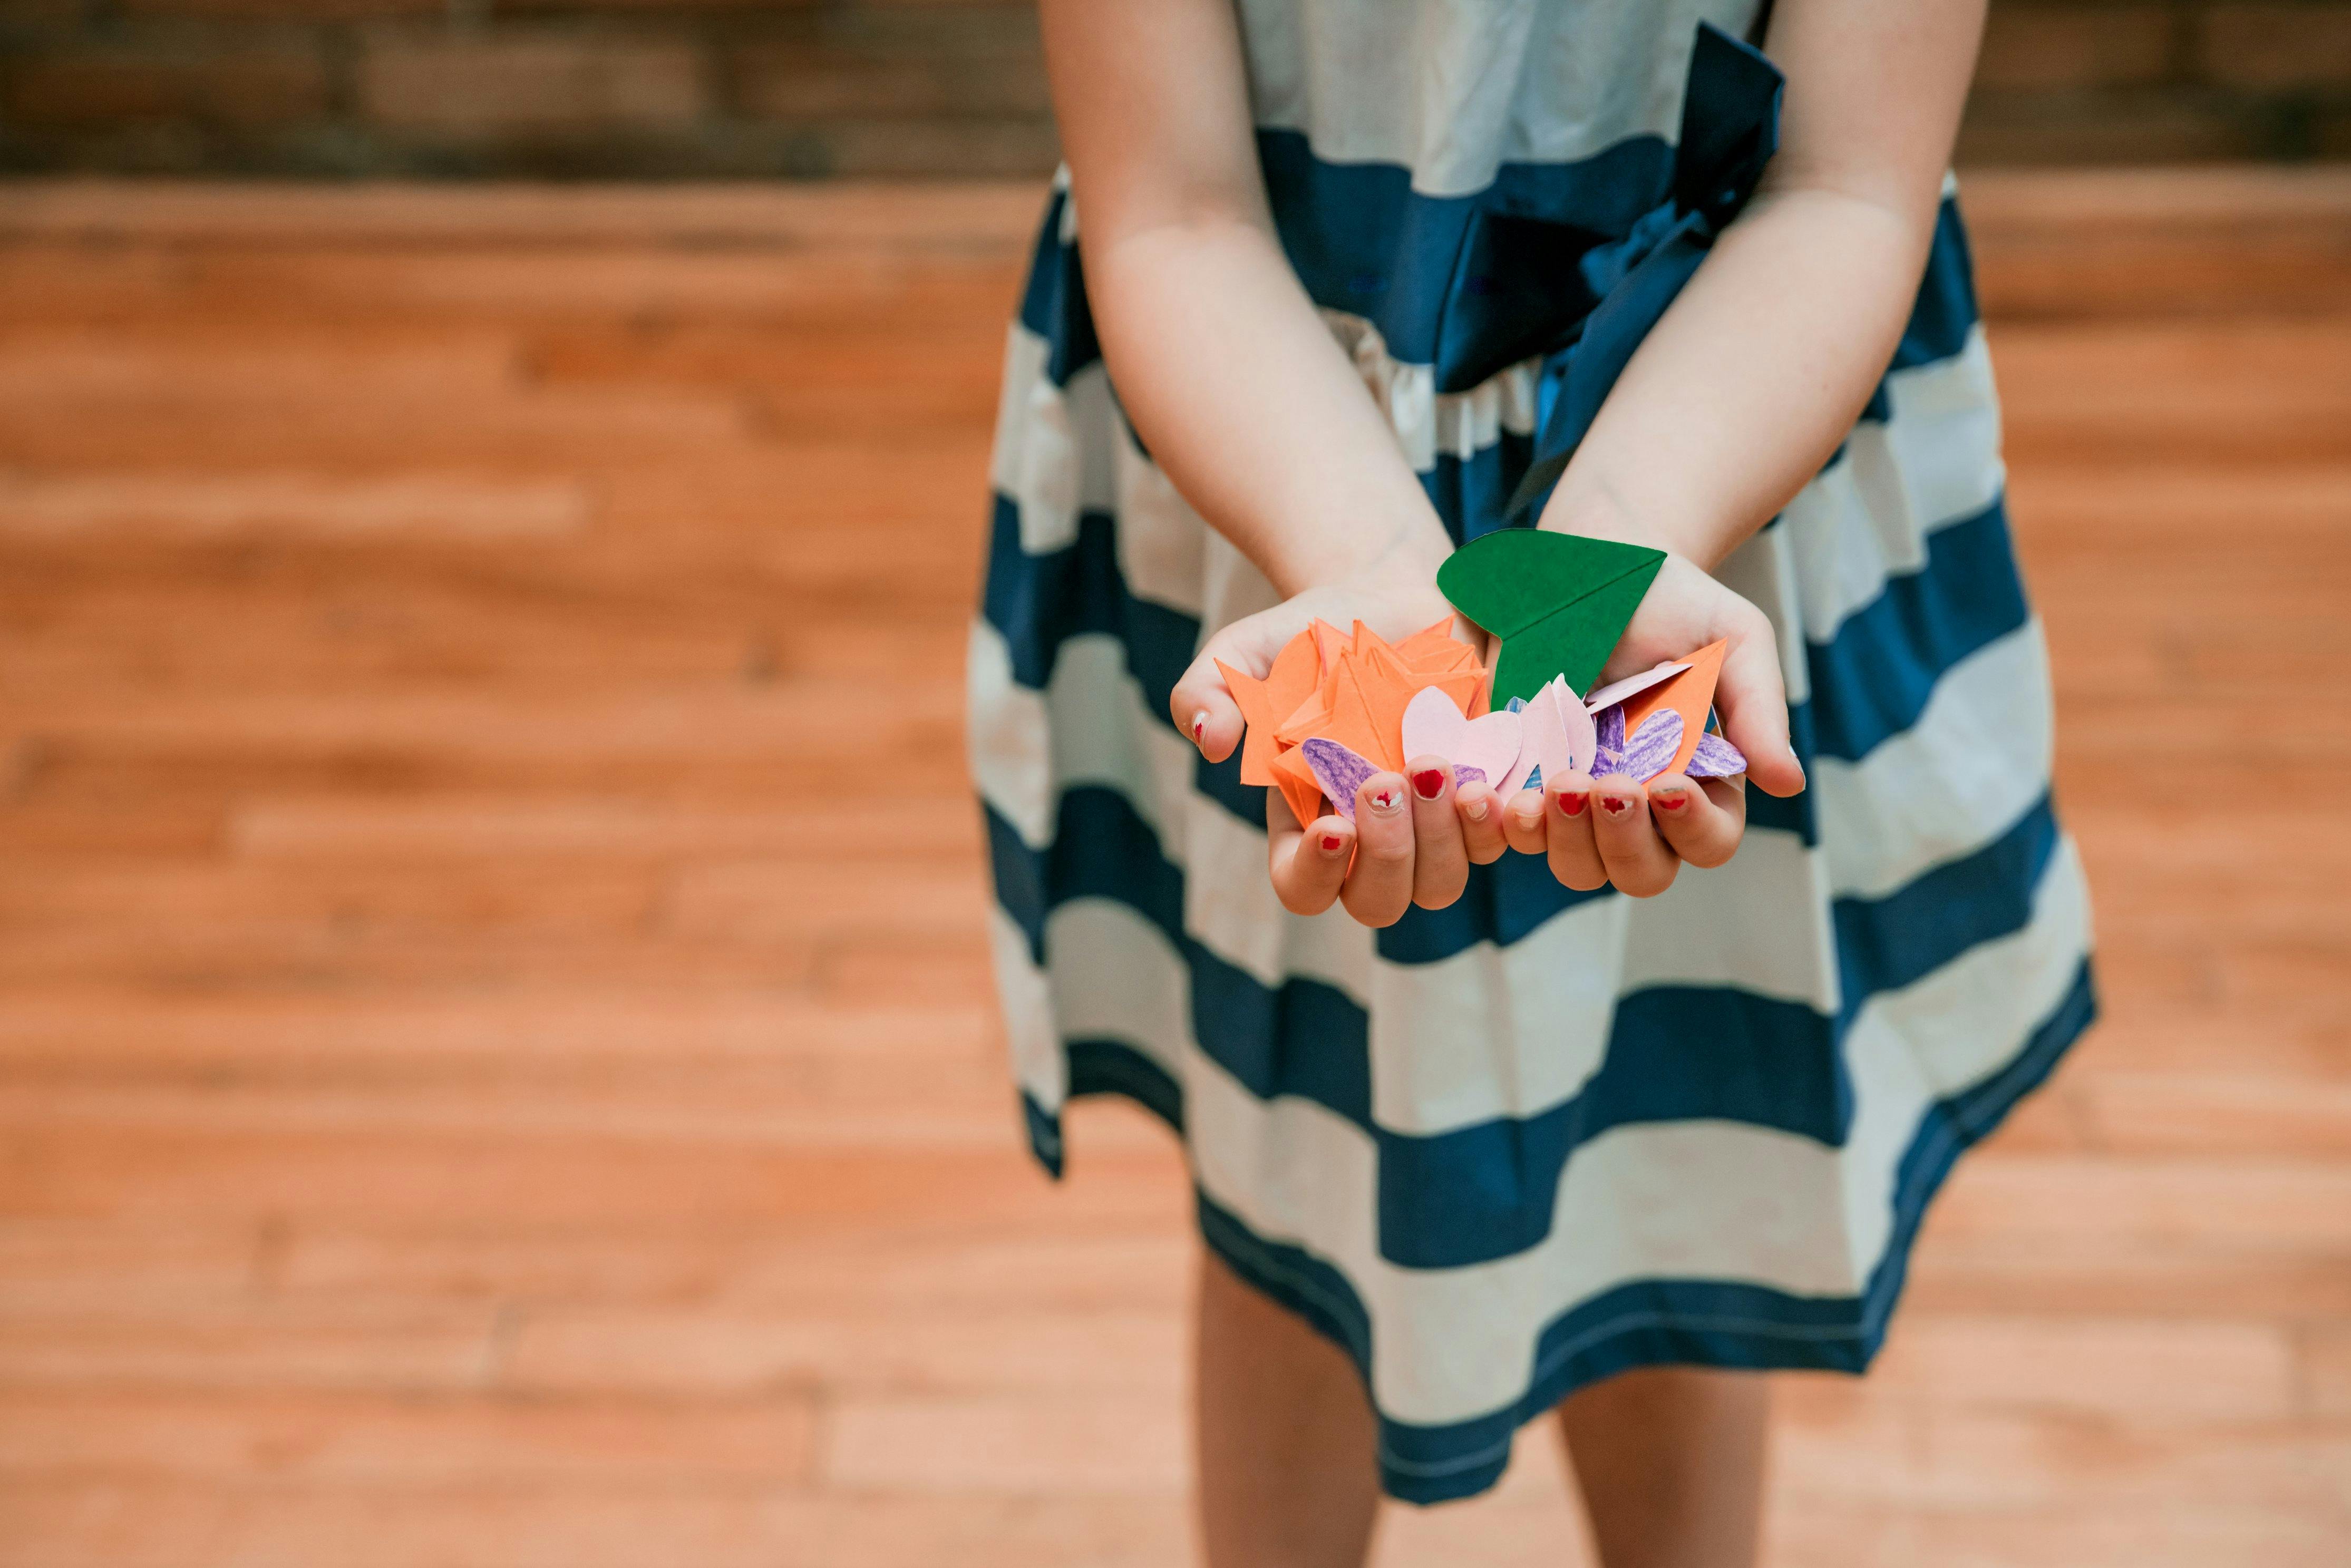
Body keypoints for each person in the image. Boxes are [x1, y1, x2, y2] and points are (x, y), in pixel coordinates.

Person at [969, 2, 2096, 1563]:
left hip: (1727, 443)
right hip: (1269, 441)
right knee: (1286, 1153)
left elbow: (1845, 181)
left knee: (1674, 1145)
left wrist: (1613, 536)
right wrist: (1365, 562)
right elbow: (1171, 203)